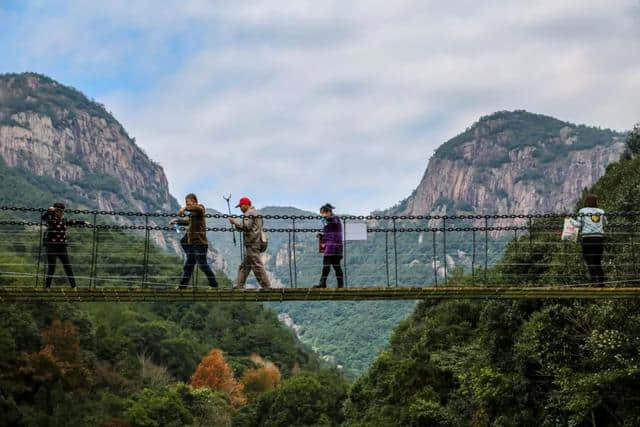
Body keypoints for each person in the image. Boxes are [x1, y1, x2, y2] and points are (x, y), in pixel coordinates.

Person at [170, 194, 218, 289]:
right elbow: (188, 221)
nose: (187, 204)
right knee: (188, 266)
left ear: (194, 201)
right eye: (186, 203)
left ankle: (214, 284)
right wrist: (177, 221)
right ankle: (182, 287)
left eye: (188, 202)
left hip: (200, 243)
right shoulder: (193, 214)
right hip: (192, 244)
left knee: (202, 264)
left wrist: (184, 209)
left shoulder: (200, 209)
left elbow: (198, 209)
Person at [42, 202, 90, 289]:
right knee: (52, 267)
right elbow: (44, 218)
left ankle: (74, 286)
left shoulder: (63, 220)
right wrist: (49, 210)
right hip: (51, 246)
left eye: (62, 211)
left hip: (62, 246)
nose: (61, 213)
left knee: (67, 266)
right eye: (59, 211)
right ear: (55, 211)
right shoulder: (51, 219)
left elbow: (72, 222)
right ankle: (47, 287)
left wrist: (83, 222)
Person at [228, 197, 271, 289]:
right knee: (245, 265)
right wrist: (237, 224)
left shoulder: (249, 213)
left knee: (256, 265)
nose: (240, 208)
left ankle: (266, 286)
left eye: (241, 206)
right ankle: (238, 285)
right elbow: (249, 227)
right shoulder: (256, 213)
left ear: (246, 205)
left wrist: (234, 221)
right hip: (256, 241)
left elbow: (246, 226)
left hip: (252, 243)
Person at [570, 194, 607, 286]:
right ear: (596, 202)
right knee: (597, 261)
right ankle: (601, 282)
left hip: (587, 238)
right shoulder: (601, 211)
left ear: (586, 202)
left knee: (589, 261)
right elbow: (605, 222)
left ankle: (594, 281)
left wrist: (569, 219)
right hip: (599, 239)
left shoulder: (583, 211)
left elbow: (578, 224)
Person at [314, 203, 344, 288]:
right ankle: (340, 285)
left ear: (328, 212)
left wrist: (328, 217)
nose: (322, 215)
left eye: (323, 212)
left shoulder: (335, 219)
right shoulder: (328, 221)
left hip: (332, 246)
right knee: (336, 266)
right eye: (322, 213)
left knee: (327, 265)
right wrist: (321, 236)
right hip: (336, 246)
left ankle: (323, 283)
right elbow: (330, 233)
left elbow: (333, 221)